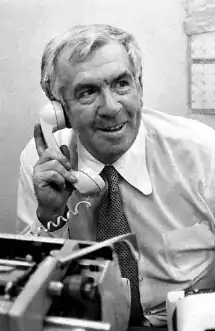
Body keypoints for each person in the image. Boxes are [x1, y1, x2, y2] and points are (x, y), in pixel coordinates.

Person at [17, 24, 215, 327]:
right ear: (60, 111)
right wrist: (51, 217)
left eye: (122, 84)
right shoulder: (43, 162)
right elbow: (29, 285)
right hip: (84, 322)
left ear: (140, 87)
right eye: (88, 92)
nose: (111, 108)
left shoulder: (200, 151)